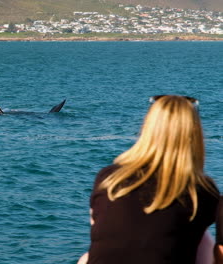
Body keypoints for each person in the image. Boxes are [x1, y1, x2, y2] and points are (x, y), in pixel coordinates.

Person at [78, 95, 219, 264]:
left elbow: (99, 234)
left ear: (147, 127)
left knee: (85, 258)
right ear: (195, 133)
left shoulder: (109, 178)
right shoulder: (202, 190)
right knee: (200, 235)